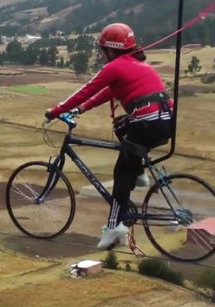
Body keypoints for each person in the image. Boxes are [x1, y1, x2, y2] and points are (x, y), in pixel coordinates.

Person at [44, 23, 174, 250]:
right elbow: (109, 92)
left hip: (147, 124)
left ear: (111, 50)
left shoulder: (115, 67)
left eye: (103, 50)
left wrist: (56, 111)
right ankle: (140, 175)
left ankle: (114, 226)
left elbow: (87, 89)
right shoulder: (138, 65)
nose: (103, 54)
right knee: (123, 127)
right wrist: (81, 109)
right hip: (166, 121)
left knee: (121, 172)